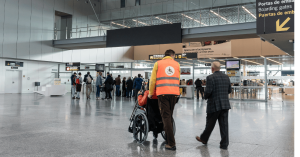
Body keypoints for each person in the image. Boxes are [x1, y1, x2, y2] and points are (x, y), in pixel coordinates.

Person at [195, 61, 232, 150]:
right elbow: (229, 90)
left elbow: (208, 91)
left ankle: (204, 139)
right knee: (224, 125)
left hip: (214, 104)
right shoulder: (226, 77)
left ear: (212, 68)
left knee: (210, 124)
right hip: (225, 105)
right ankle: (224, 144)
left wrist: (205, 97)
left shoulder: (210, 77)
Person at [149, 49, 180, 151]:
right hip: (174, 94)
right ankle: (169, 139)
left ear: (165, 55)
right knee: (169, 116)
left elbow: (153, 80)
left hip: (162, 94)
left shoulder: (158, 63)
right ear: (172, 55)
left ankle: (171, 143)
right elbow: (178, 79)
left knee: (166, 117)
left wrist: (150, 93)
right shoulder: (177, 64)